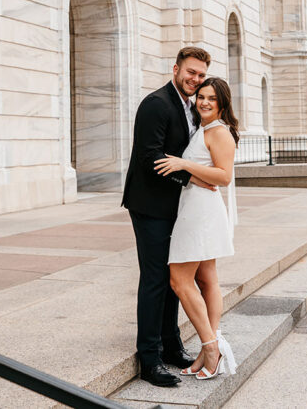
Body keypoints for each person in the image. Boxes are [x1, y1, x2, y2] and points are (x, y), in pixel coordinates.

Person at [121, 46, 211, 387]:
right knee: (156, 279)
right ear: (176, 69)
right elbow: (150, 158)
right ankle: (150, 358)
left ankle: (172, 346)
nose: (195, 79)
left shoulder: (190, 105)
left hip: (176, 207)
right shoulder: (156, 104)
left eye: (201, 75)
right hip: (150, 206)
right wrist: (192, 179)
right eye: (191, 72)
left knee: (177, 278)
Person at [153, 77, 239, 380]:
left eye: (211, 99)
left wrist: (183, 165)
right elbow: (209, 175)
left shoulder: (219, 132)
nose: (204, 102)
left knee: (179, 279)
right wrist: (194, 174)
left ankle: (210, 346)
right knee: (206, 278)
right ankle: (208, 349)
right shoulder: (205, 129)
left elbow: (224, 177)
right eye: (201, 96)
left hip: (200, 213)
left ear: (222, 103)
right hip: (197, 206)